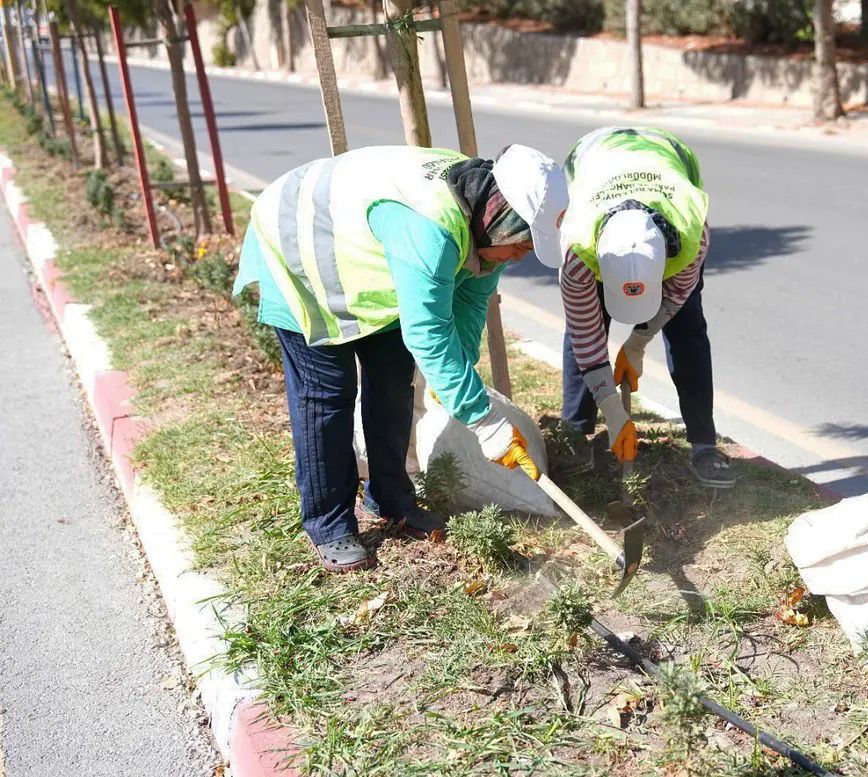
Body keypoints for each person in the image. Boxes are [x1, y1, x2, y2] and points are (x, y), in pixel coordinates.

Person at [233, 144, 568, 572]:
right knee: (327, 393)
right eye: (523, 244)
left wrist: (455, 387)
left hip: (364, 266)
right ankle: (329, 523)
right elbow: (427, 332)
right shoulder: (433, 228)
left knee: (392, 381)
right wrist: (482, 419)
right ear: (501, 219)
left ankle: (391, 498)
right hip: (299, 246)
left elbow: (465, 311)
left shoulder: (486, 221)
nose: (522, 256)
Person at [558, 126, 734, 489]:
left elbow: (674, 298)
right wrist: (611, 406)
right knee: (585, 328)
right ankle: (575, 436)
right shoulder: (578, 252)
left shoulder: (690, 239)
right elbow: (585, 331)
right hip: (593, 154)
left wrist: (637, 344)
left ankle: (703, 445)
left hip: (666, 155)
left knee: (688, 330)